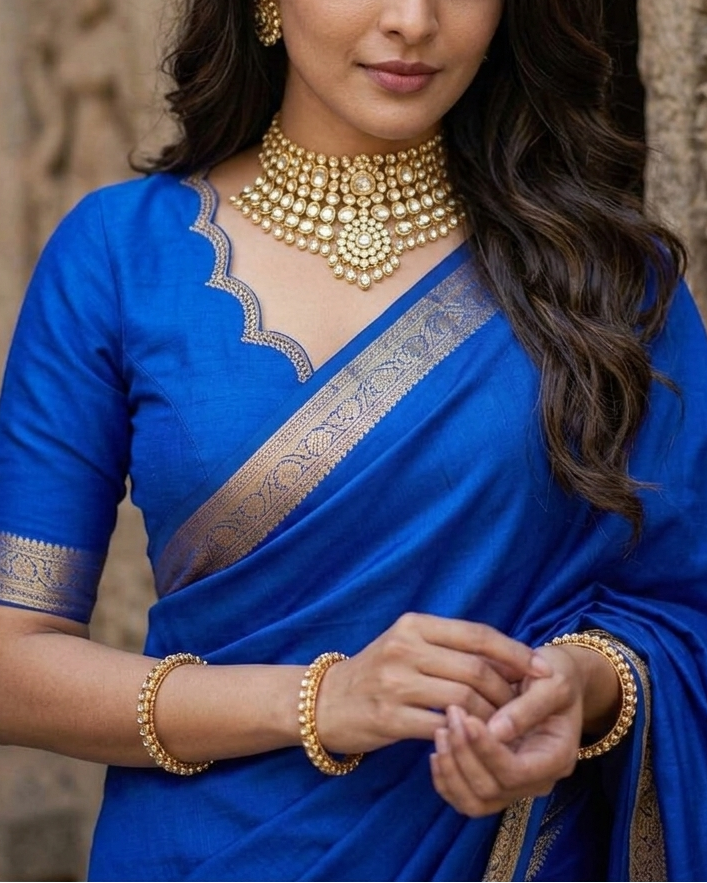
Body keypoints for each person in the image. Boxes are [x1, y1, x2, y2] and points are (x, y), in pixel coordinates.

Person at [1, 0, 706, 880]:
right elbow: (15, 660)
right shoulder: (118, 257)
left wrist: (582, 687)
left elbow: (682, 608)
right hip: (204, 853)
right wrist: (319, 699)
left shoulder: (608, 281)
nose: (411, 20)